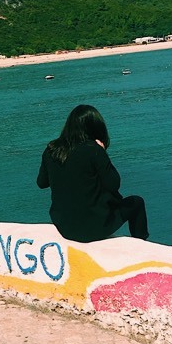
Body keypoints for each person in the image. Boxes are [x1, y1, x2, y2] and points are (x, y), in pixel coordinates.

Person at [37, 104, 149, 243]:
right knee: (136, 202)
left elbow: (42, 183)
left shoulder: (52, 149)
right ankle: (141, 244)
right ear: (95, 127)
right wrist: (102, 153)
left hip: (65, 227)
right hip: (93, 229)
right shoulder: (93, 150)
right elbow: (113, 184)